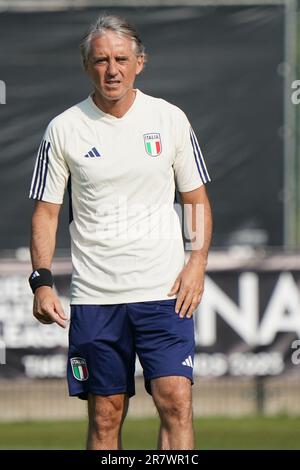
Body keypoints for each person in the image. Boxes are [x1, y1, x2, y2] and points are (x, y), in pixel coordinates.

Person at [28, 14, 213, 450]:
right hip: (97, 297)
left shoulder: (169, 119)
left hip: (165, 292)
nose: (112, 69)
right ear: (87, 66)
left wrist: (197, 262)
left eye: (121, 59)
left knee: (176, 401)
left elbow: (196, 200)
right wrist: (41, 281)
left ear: (139, 63)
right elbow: (46, 213)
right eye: (101, 60)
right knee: (106, 414)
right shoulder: (64, 128)